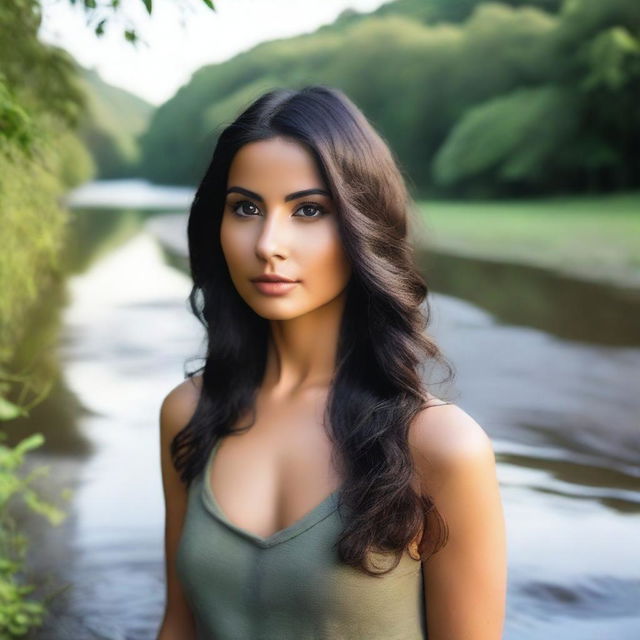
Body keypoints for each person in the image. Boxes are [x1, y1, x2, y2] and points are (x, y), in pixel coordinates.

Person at [156, 85, 506, 640]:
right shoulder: (189, 413)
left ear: (364, 225)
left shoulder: (441, 446)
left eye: (309, 210)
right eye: (245, 207)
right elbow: (179, 625)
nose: (268, 242)